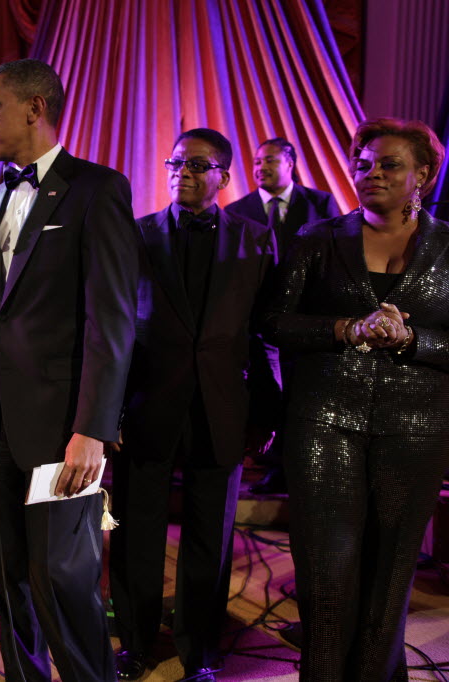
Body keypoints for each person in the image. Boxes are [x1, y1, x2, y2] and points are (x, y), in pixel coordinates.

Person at [0, 59, 138, 682]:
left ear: (35, 108)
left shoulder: (96, 189)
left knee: (62, 578)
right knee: (6, 576)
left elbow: (111, 319)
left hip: (64, 428)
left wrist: (93, 428)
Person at [263, 117, 449, 681]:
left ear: (423, 174)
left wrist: (412, 339)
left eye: (389, 164)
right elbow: (273, 322)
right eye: (363, 164)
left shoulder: (448, 246)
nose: (372, 173)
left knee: (390, 573)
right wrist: (346, 328)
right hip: (324, 421)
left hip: (417, 427)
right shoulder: (318, 238)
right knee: (326, 572)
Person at [109, 129, 279, 682]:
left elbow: (263, 334)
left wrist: (266, 412)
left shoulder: (257, 240)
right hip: (145, 405)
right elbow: (114, 331)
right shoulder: (135, 234)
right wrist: (107, 411)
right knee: (137, 532)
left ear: (224, 177)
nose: (182, 171)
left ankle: (201, 649)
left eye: (197, 165)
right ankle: (134, 642)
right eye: (175, 162)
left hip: (221, 407)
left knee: (211, 536)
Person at [227, 137, 342, 495]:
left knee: (301, 391)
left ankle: (303, 468)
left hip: (308, 316)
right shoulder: (238, 208)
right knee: (267, 390)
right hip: (258, 314)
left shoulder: (320, 203)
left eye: (270, 160)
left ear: (290, 164)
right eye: (257, 161)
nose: (261, 167)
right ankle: (272, 466)